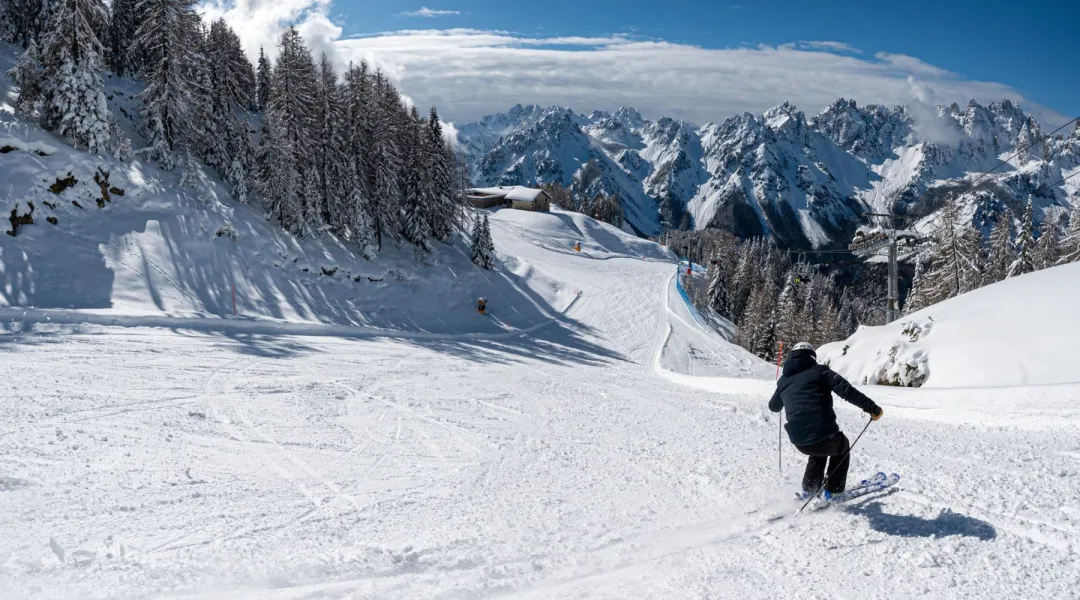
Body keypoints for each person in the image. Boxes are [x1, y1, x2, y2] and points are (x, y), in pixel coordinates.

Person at [769, 342, 884, 498]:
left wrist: (782, 388)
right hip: (823, 435)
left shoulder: (784, 380)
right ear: (811, 357)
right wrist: (873, 408)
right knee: (842, 446)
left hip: (799, 442)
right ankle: (833, 491)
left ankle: (809, 489)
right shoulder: (820, 371)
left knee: (818, 450)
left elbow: (773, 407)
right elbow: (847, 391)